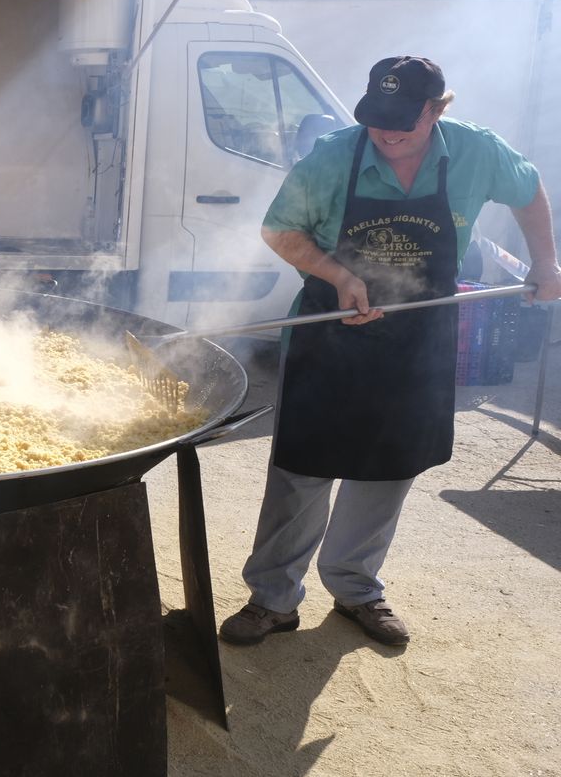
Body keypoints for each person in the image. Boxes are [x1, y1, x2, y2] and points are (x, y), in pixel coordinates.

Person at [220, 56, 561, 648]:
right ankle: (273, 599)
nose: (387, 131)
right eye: (377, 117)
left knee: (389, 466)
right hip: (330, 332)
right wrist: (339, 275)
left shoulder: (476, 150)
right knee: (304, 469)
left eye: (404, 119)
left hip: (418, 338)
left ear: (436, 109)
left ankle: (356, 588)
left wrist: (546, 262)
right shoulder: (333, 156)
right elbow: (280, 230)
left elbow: (528, 189)